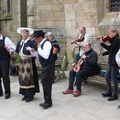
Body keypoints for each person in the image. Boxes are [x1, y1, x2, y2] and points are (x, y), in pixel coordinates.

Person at [16, 27, 40, 102]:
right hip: (21, 62)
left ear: (28, 34)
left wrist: (32, 50)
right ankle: (25, 94)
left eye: (26, 33)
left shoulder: (31, 42)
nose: (24, 34)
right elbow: (17, 51)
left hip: (28, 62)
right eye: (23, 33)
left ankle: (30, 95)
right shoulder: (20, 42)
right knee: (22, 78)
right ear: (21, 34)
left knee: (28, 78)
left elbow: (35, 52)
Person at [33, 30, 55, 109]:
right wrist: (34, 52)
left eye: (35, 38)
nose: (35, 40)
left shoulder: (47, 43)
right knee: (45, 83)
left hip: (48, 67)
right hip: (45, 66)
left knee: (47, 84)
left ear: (40, 37)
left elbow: (45, 55)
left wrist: (38, 49)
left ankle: (48, 102)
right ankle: (47, 101)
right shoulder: (41, 44)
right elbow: (40, 56)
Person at [101, 27, 120, 101]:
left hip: (115, 62)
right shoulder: (114, 40)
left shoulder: (117, 39)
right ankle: (109, 91)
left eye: (110, 33)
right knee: (107, 76)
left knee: (113, 78)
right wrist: (103, 53)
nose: (109, 35)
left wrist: (101, 43)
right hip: (110, 61)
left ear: (115, 32)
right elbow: (111, 50)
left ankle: (115, 95)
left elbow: (110, 48)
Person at [0, 28, 16, 99]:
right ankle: (0, 92)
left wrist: (8, 48)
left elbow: (14, 47)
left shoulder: (5, 39)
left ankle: (7, 92)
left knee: (5, 76)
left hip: (4, 60)